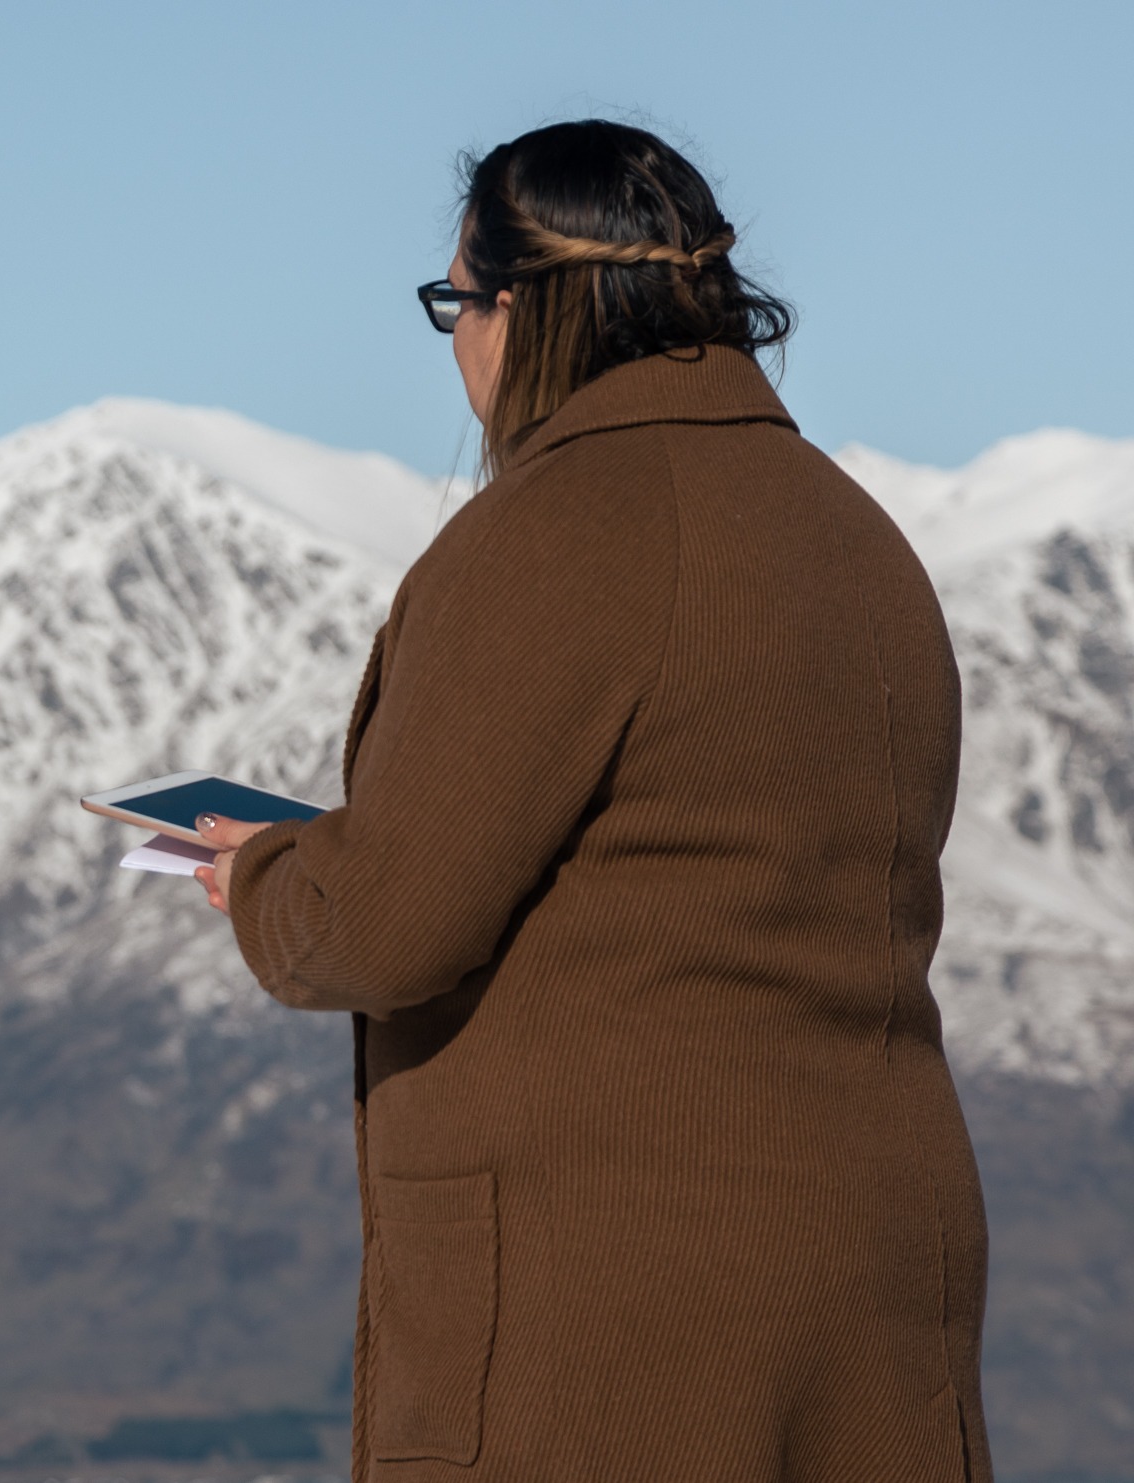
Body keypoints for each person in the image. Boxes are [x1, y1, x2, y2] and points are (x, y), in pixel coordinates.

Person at [195, 122, 991, 1480]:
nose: (455, 344)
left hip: (618, 1283)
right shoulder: (856, 537)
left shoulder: (557, 531)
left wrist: (268, 875)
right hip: (877, 1256)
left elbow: (386, 920)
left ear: (526, 304)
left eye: (457, 301)